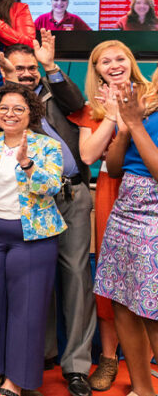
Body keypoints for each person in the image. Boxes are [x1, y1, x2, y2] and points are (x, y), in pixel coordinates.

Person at [0, 35, 95, 396]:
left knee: (77, 278)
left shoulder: (59, 95)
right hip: (34, 199)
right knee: (37, 279)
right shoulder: (6, 104)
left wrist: (50, 65)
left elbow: (76, 101)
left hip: (71, 195)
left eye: (30, 68)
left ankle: (77, 367)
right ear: (6, 72)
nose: (26, 74)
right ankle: (42, 355)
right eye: (17, 68)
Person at [0, 83, 65, 396]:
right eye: (4, 108)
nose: (10, 114)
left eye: (18, 108)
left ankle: (16, 381)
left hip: (32, 240)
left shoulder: (47, 146)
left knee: (28, 311)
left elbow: (51, 186)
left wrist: (26, 162)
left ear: (30, 113)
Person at [67, 40, 152, 391]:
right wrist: (113, 118)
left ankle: (143, 369)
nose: (114, 65)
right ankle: (108, 358)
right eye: (105, 61)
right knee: (112, 279)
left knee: (146, 284)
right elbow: (88, 155)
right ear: (96, 69)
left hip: (148, 191)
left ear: (131, 62)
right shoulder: (93, 106)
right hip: (110, 190)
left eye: (120, 58)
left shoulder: (152, 96)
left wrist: (131, 116)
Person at [100, 80, 158, 396]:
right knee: (122, 301)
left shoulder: (141, 118)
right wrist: (124, 128)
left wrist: (134, 124)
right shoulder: (145, 110)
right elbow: (114, 167)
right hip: (125, 210)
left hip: (154, 214)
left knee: (152, 309)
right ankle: (142, 390)